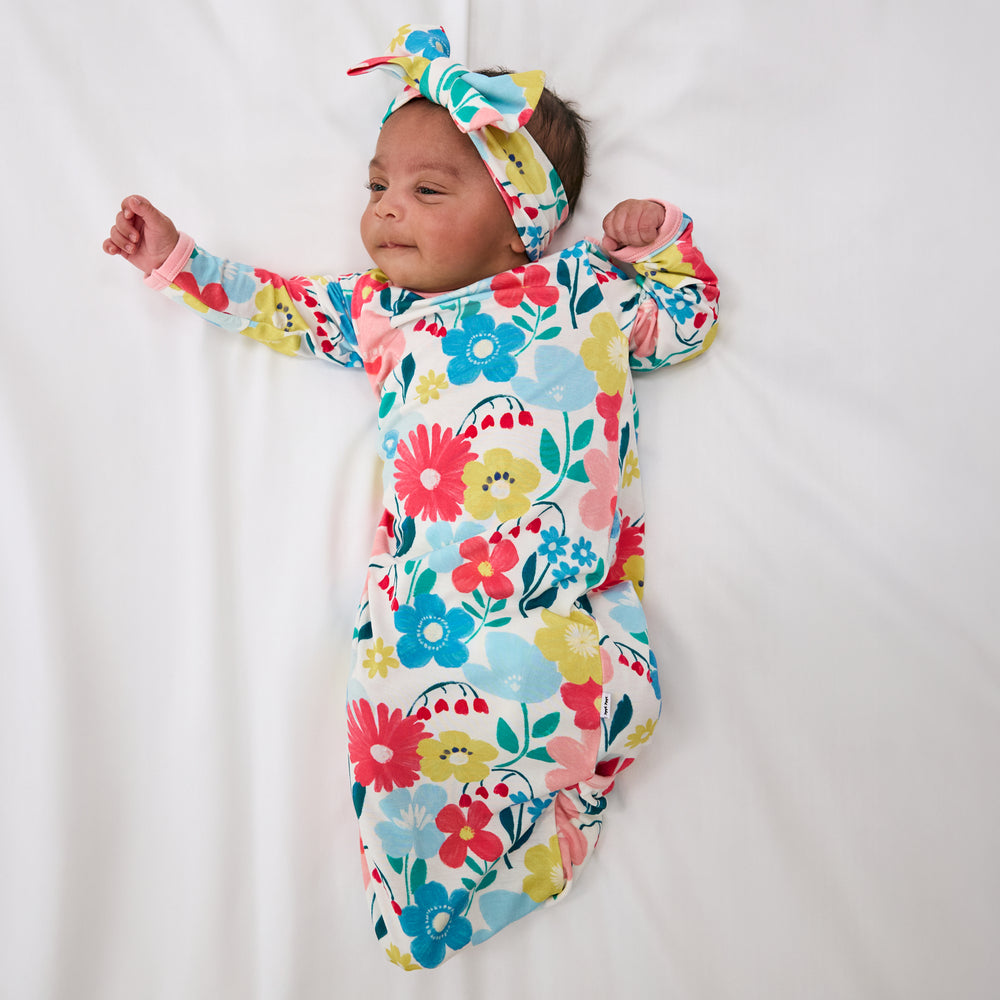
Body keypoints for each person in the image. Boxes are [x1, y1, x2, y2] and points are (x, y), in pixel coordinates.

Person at [103, 23, 719, 971]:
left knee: (553, 703)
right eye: (378, 187)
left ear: (522, 219)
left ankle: (570, 795)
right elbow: (280, 308)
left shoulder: (587, 291)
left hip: (555, 608)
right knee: (390, 729)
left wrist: (663, 243)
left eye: (429, 190)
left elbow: (685, 322)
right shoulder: (382, 313)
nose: (389, 209)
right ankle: (436, 904)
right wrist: (180, 262)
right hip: (427, 608)